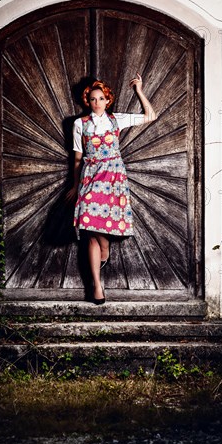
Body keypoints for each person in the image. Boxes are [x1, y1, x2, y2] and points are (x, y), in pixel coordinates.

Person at [66, 73, 156, 304]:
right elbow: (77, 157)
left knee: (93, 233)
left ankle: (99, 276)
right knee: (87, 221)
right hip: (90, 176)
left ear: (107, 100)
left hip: (113, 176)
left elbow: (150, 116)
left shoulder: (117, 119)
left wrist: (139, 90)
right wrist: (75, 185)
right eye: (93, 99)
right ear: (88, 101)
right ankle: (98, 281)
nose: (97, 103)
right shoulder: (80, 124)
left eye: (101, 99)